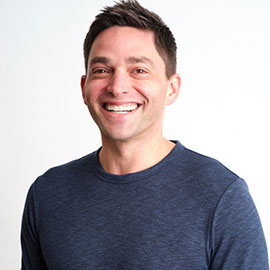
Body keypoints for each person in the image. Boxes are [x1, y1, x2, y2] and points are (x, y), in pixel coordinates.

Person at [21, 0, 268, 269]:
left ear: (171, 88)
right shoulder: (46, 195)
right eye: (102, 70)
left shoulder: (223, 197)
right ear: (84, 87)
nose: (117, 87)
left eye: (139, 70)